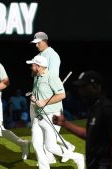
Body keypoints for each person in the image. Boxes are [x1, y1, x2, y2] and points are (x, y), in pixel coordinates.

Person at [53, 71, 112, 169]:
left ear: (95, 86)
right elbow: (89, 134)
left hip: (104, 165)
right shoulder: (94, 108)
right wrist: (64, 123)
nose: (80, 91)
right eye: (80, 87)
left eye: (84, 87)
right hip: (93, 164)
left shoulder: (107, 108)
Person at [26, 56, 84, 169]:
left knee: (50, 147)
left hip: (52, 116)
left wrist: (44, 102)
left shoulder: (52, 77)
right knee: (37, 144)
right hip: (39, 116)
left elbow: (62, 95)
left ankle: (78, 157)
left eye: (32, 65)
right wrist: (34, 98)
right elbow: (40, 95)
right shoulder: (37, 78)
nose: (31, 67)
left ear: (38, 66)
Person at [30, 32, 76, 163]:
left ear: (45, 41)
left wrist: (45, 99)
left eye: (38, 42)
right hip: (37, 99)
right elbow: (35, 75)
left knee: (44, 130)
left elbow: (52, 77)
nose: (36, 45)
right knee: (40, 131)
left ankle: (67, 149)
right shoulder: (38, 56)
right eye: (35, 43)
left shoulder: (52, 55)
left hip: (47, 101)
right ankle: (50, 157)